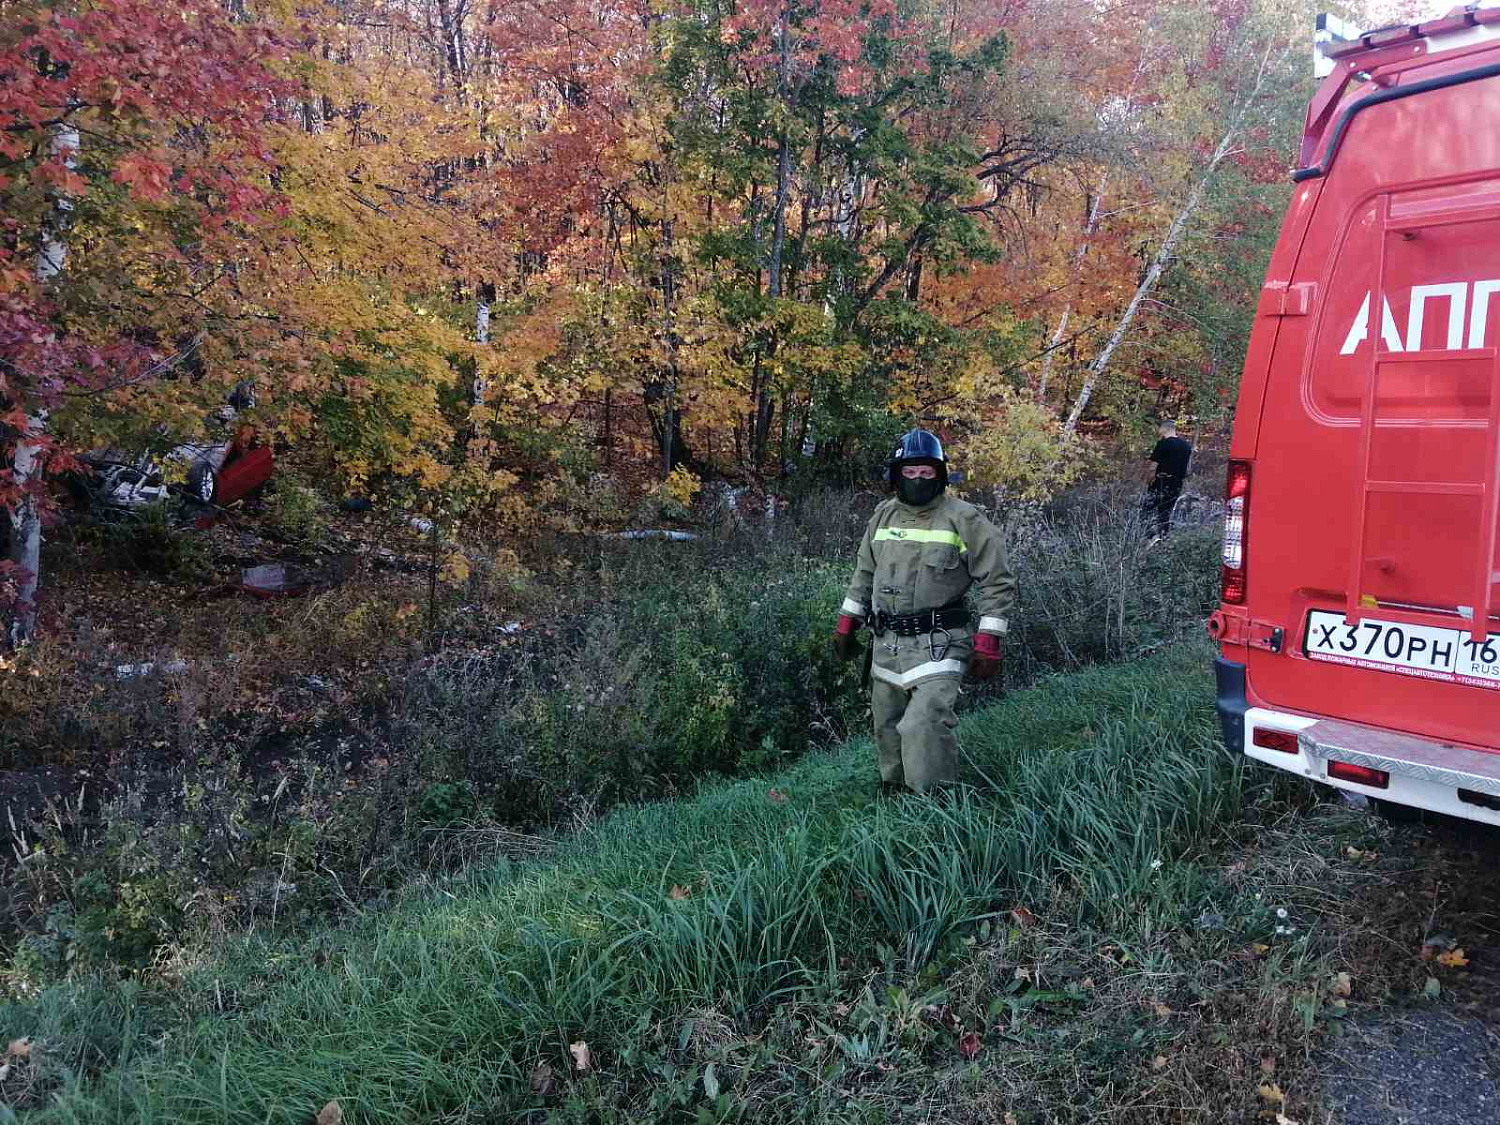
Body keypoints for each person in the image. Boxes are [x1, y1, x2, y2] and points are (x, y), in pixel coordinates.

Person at [830, 429, 1016, 795]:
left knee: (924, 723)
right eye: (910, 472)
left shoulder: (966, 520)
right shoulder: (883, 517)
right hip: (887, 646)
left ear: (942, 475)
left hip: (940, 644)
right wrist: (845, 624)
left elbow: (997, 581)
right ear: (896, 475)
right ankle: (896, 798)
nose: (917, 479)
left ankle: (934, 805)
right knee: (887, 723)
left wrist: (988, 642)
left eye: (926, 472)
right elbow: (863, 573)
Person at [1143, 419, 1192, 537]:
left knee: (1147, 511)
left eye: (1159, 428)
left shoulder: (1163, 443)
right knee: (1166, 513)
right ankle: (1163, 538)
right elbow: (1188, 471)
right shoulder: (1186, 446)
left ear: (1165, 428)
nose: (1158, 431)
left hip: (1160, 482)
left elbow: (1152, 467)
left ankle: (1145, 538)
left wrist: (1149, 482)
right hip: (1176, 484)